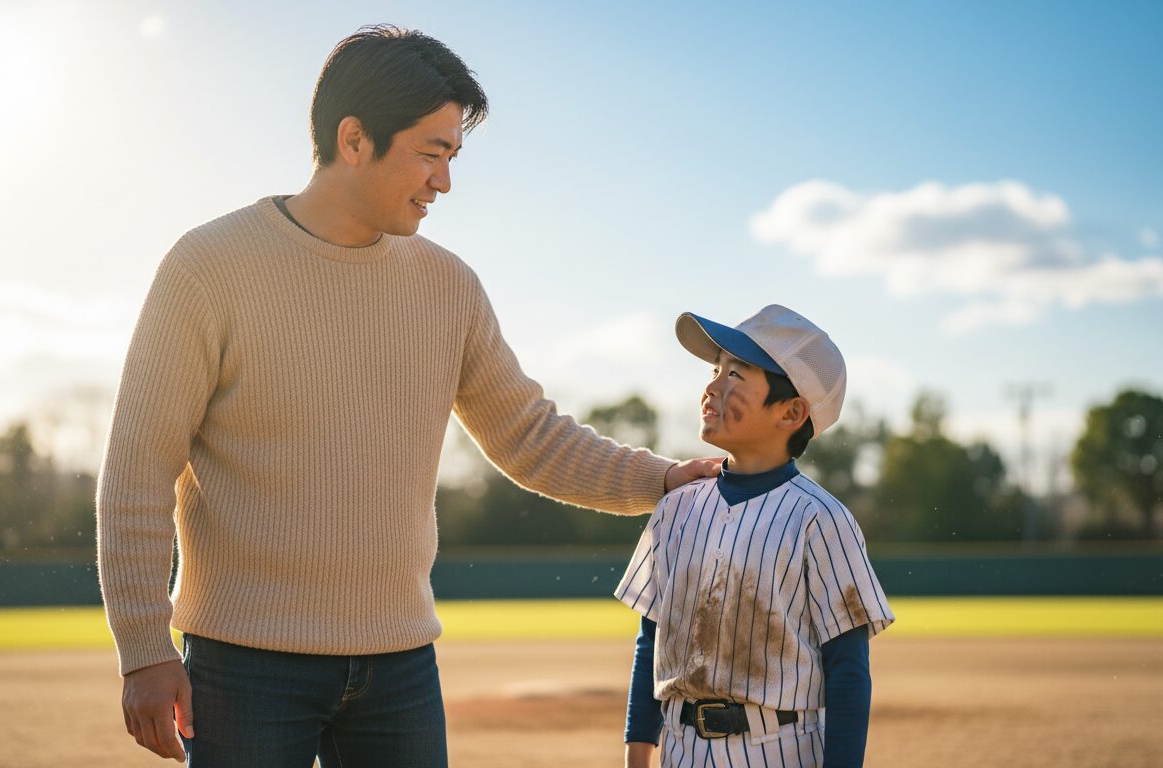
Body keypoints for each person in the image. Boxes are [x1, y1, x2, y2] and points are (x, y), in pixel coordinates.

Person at [96, 24, 716, 768]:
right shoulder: (209, 268)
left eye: (452, 156)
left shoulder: (449, 285)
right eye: (430, 153)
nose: (444, 181)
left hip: (400, 669)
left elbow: (528, 434)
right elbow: (138, 470)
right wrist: (142, 647)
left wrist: (661, 480)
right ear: (354, 139)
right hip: (242, 669)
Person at [614, 305, 895, 767]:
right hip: (680, 750)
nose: (712, 387)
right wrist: (638, 753)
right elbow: (652, 641)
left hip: (779, 749)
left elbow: (847, 671)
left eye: (737, 375)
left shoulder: (820, 519)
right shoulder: (676, 507)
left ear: (791, 412)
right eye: (715, 370)